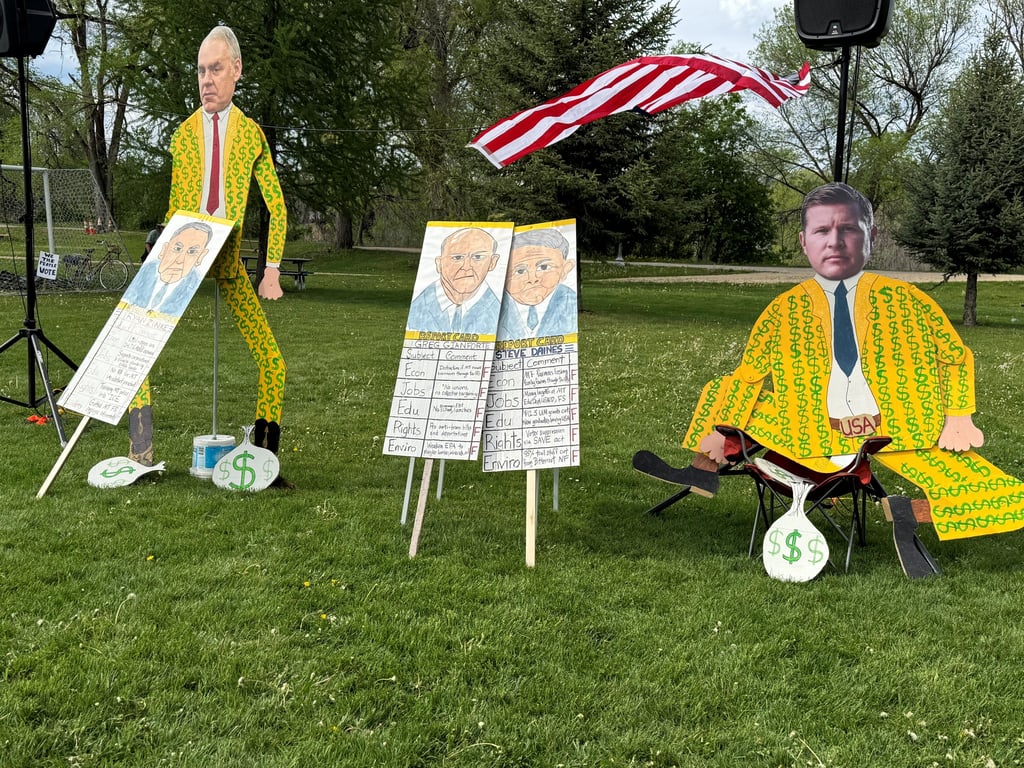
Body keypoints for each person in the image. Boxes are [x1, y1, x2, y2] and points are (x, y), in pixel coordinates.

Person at [674, 182, 1024, 540]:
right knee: (722, 389)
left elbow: (954, 357)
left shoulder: (908, 301)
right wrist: (721, 437)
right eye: (822, 230)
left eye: (849, 229)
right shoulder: (783, 310)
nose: (834, 241)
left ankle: (908, 513)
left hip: (896, 432)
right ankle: (701, 472)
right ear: (803, 241)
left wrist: (958, 415)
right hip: (808, 432)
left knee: (1008, 495)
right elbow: (748, 378)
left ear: (871, 235)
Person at [127, 25, 289, 486]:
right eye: (201, 71)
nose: (206, 80)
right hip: (184, 256)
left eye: (216, 69)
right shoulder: (182, 137)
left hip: (229, 260)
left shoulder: (252, 135)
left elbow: (276, 207)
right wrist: (158, 248)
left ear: (236, 71)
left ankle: (264, 462)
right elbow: (177, 204)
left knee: (272, 361)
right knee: (136, 348)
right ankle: (142, 451)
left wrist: (272, 269)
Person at [406, 227, 502, 334]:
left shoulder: (501, 309)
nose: (466, 267)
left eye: (478, 257)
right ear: (439, 264)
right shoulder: (419, 307)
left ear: (493, 262)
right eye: (457, 258)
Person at [497, 227, 577, 340]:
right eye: (520, 271)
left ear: (565, 269)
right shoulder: (493, 306)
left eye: (543, 267)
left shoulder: (570, 303)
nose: (532, 279)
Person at [123, 220, 211, 317]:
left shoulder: (192, 281)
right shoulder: (154, 235)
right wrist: (151, 254)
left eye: (191, 252)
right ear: (164, 249)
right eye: (177, 249)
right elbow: (147, 243)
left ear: (200, 257)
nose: (180, 260)